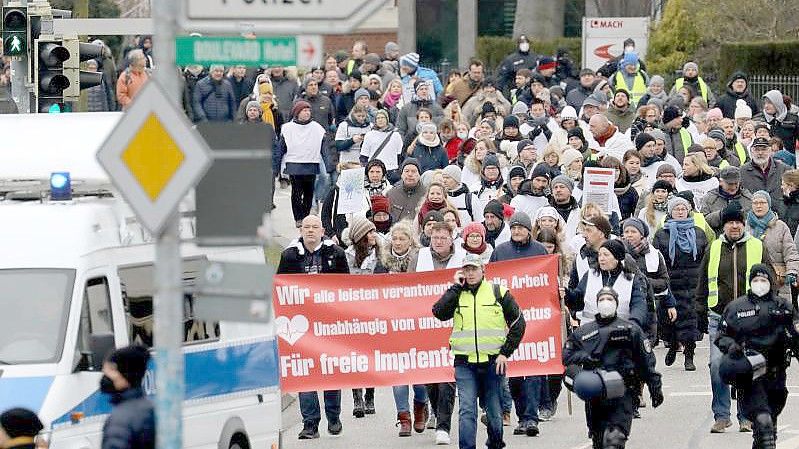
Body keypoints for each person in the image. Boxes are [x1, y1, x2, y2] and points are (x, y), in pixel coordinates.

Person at [432, 253, 525, 449]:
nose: (471, 273)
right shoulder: (458, 293)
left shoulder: (498, 292)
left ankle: (495, 442)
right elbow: (438, 312)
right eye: (467, 269)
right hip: (465, 363)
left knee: (494, 412)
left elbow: (519, 323)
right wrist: (456, 287)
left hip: (493, 363)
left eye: (474, 269)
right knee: (467, 410)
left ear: (483, 271)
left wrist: (505, 353)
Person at [696, 203, 770, 433]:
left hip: (751, 319)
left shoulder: (758, 246)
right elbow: (703, 280)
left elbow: (769, 281)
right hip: (720, 318)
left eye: (738, 222)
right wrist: (699, 309)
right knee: (717, 365)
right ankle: (721, 414)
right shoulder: (714, 248)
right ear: (724, 225)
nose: (734, 226)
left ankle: (745, 417)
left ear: (744, 223)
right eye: (730, 222)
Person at [562, 286, 663, 449]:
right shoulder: (584, 333)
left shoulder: (631, 330)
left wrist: (655, 387)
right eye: (601, 299)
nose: (605, 303)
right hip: (596, 394)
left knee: (615, 440)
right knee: (599, 440)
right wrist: (587, 358)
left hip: (623, 392)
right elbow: (567, 356)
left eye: (609, 299)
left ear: (616, 303)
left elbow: (646, 361)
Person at [278, 215, 349, 439]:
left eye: (314, 227)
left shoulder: (335, 254)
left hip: (329, 324)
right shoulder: (289, 256)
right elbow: (280, 288)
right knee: (305, 374)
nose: (310, 231)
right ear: (301, 231)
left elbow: (347, 287)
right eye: (306, 227)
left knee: (329, 371)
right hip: (300, 326)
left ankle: (333, 416)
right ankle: (310, 423)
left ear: (322, 230)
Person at [715, 264, 799, 449]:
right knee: (763, 421)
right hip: (750, 374)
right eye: (755, 280)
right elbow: (721, 336)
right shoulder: (736, 308)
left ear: (771, 282)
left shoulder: (783, 307)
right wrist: (732, 348)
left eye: (763, 280)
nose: (759, 284)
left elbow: (796, 336)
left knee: (767, 429)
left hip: (776, 375)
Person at [488, 211, 547, 437]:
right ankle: (522, 415)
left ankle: (531, 418)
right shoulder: (500, 252)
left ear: (528, 229)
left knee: (532, 370)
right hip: (507, 320)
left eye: (521, 227)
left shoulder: (539, 250)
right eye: (513, 228)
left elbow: (544, 280)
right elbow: (492, 283)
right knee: (512, 374)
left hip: (534, 318)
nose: (517, 231)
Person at [652, 196, 709, 369]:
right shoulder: (662, 234)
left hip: (693, 283)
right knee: (670, 320)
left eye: (683, 209)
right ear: (670, 212)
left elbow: (704, 257)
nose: (680, 212)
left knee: (691, 321)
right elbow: (657, 260)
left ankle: (689, 356)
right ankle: (673, 342)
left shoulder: (699, 232)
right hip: (672, 283)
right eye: (676, 209)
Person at [276, 101, 327, 226]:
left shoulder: (316, 127)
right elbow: (281, 148)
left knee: (309, 192)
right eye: (304, 110)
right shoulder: (288, 128)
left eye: (308, 110)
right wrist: (276, 166)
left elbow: (325, 147)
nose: (307, 113)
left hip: (311, 163)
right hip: (294, 164)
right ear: (297, 112)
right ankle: (298, 217)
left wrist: (330, 164)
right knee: (297, 192)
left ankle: (305, 216)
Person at [100, 346, 155, 449]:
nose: (105, 375)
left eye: (110, 371)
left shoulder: (120, 420)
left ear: (125, 376)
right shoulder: (149, 409)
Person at [746, 190, 799, 299]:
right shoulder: (745, 227)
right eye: (755, 203)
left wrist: (792, 272)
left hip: (779, 281)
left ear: (769, 204)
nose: (758, 206)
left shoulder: (781, 227)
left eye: (762, 203)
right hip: (751, 279)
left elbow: (791, 253)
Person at [741, 137, 790, 215]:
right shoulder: (742, 171)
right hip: (753, 218)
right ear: (751, 151)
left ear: (770, 151)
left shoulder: (784, 169)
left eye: (764, 149)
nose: (760, 153)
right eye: (757, 150)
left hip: (781, 217)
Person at [700, 166, 755, 234]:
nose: (734, 187)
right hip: (717, 240)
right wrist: (721, 214)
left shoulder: (748, 198)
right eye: (730, 184)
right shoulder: (710, 198)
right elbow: (703, 222)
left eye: (736, 183)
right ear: (720, 182)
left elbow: (755, 220)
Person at [387, 158, 426, 223]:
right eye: (406, 171)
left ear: (419, 175)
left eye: (413, 171)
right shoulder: (391, 194)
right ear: (402, 175)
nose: (410, 174)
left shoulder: (426, 194)